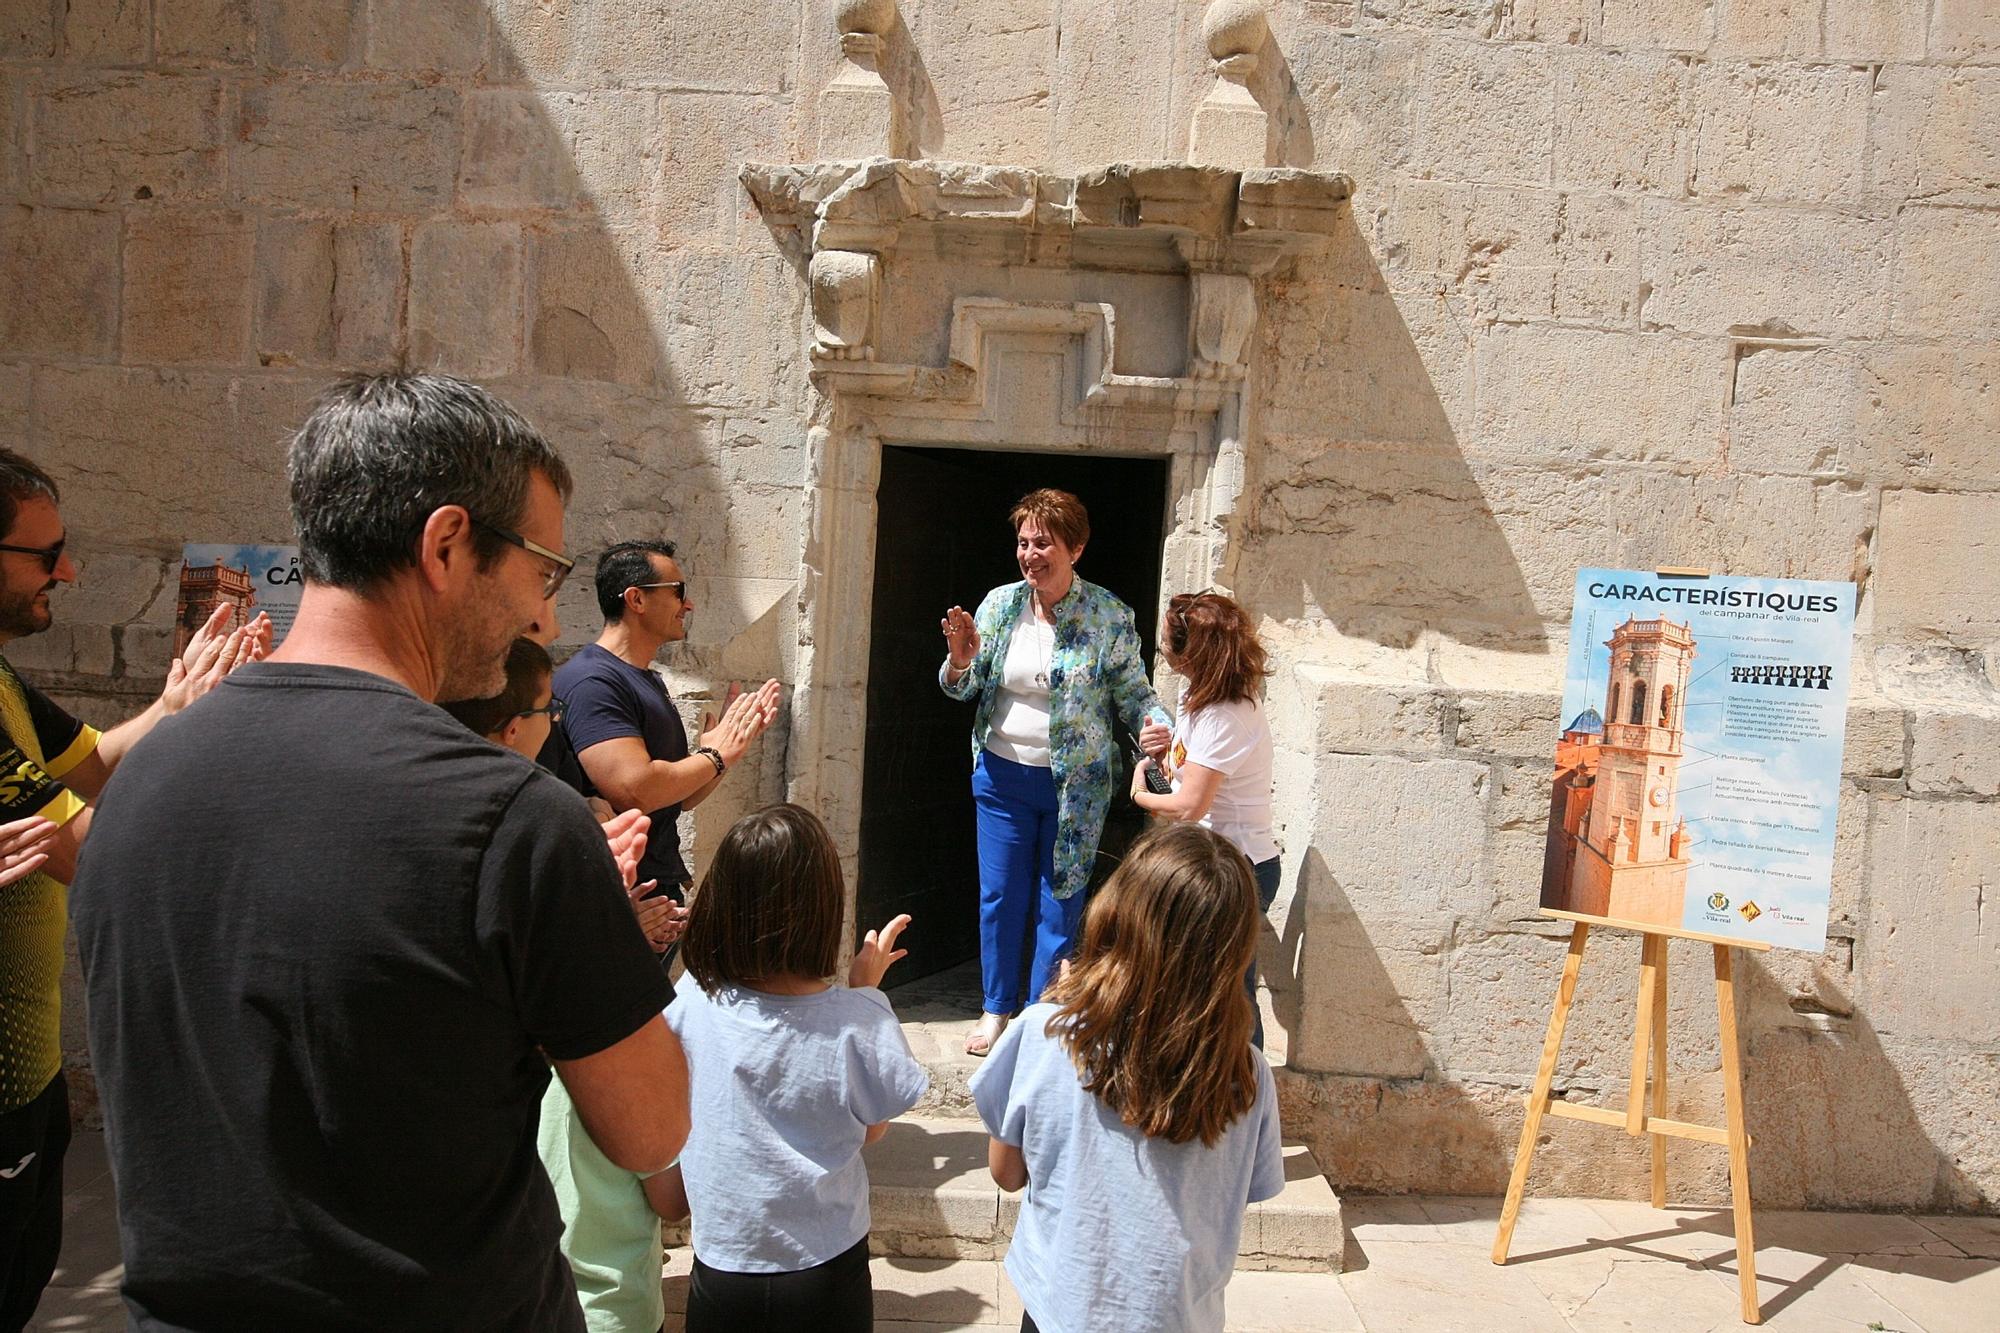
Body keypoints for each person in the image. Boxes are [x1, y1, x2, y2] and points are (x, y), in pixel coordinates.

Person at [69, 373, 690, 1332]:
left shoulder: (138, 784)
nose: (548, 621)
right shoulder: (515, 820)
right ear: (447, 544)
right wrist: (579, 941)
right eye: (543, 573)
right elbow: (652, 1128)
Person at [0, 448, 266, 1333]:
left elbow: (96, 768)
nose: (69, 570)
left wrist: (178, 704)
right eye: (47, 553)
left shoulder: (3, 680)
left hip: (30, 1077)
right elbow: (87, 847)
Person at [968, 822, 1286, 1333]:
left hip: (1060, 1310)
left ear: (1119, 913)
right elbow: (1236, 1193)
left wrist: (1064, 1007)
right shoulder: (1246, 1073)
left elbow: (1007, 1173)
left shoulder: (1044, 1036)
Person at [652, 803, 928, 1333]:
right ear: (823, 909)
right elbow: (871, 1132)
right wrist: (867, 991)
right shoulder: (857, 1019)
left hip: (726, 1259)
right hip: (827, 1264)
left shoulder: (690, 999)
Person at [938, 488, 1170, 1056]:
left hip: (1078, 788)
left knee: (1060, 896)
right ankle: (996, 1009)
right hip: (1001, 777)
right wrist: (960, 660)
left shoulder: (1109, 615)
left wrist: (1157, 725)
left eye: (1043, 542)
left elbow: (1133, 694)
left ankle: (1042, 1013)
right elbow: (964, 687)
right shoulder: (998, 605)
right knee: (1000, 895)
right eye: (1023, 542)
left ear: (1076, 548)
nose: (1030, 553)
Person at [555, 539, 781, 954]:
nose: (688, 604)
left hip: (657, 891)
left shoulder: (646, 679)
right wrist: (716, 754)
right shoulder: (594, 682)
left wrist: (727, 750)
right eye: (677, 590)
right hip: (623, 899)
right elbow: (637, 789)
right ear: (636, 599)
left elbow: (680, 796)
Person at [443, 635, 676, 952]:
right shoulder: (530, 819)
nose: (556, 717)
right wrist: (615, 921)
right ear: (513, 729)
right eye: (549, 708)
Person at [1129, 591, 1282, 1049]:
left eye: (1166, 646)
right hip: (1212, 864)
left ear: (1188, 650)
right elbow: (1191, 767)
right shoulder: (1199, 696)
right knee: (1202, 991)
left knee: (1228, 998)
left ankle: (1243, 1102)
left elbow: (1190, 805)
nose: (1164, 654)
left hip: (1236, 868)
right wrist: (1165, 744)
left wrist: (1140, 796)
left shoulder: (1227, 713)